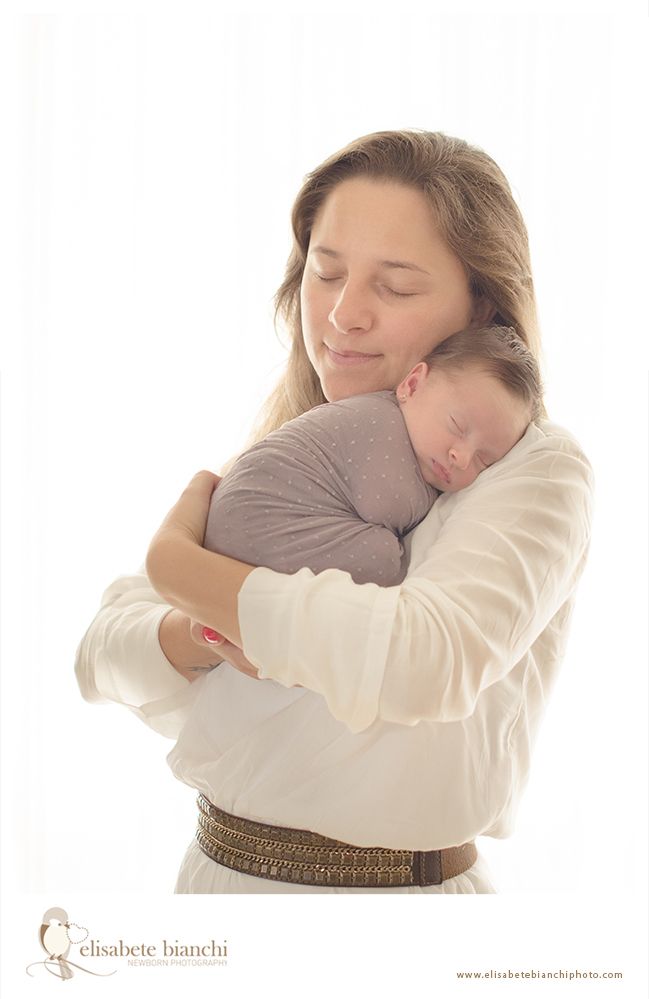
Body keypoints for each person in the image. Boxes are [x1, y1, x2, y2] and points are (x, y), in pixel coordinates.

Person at [76, 130, 594, 894]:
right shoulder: (298, 451)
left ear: (479, 307)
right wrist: (198, 631)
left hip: (398, 909)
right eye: (325, 273)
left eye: (396, 286)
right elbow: (98, 655)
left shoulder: (529, 467)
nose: (343, 314)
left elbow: (425, 657)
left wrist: (180, 565)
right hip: (213, 886)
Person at [202, 325, 541, 590]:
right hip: (250, 528)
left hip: (227, 536)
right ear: (412, 385)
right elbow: (386, 508)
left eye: (485, 460)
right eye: (457, 425)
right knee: (386, 561)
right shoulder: (383, 425)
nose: (462, 457)